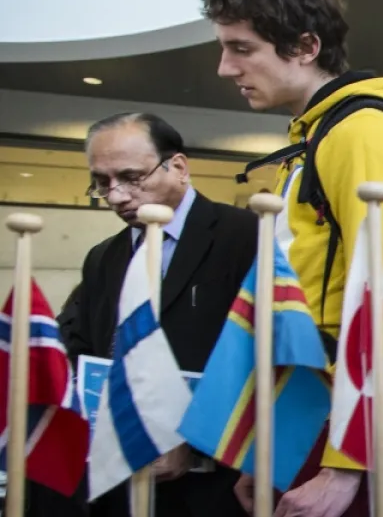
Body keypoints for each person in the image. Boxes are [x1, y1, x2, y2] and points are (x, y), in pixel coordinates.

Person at [200, 0, 383, 517]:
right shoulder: (316, 138)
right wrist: (269, 450)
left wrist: (346, 466)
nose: (225, 68)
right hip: (308, 408)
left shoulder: (362, 133)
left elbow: (382, 302)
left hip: (344, 415)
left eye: (241, 48)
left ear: (305, 47)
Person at [57, 112, 257, 517]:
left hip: (222, 482)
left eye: (132, 177)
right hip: (122, 478)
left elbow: (267, 357)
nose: (115, 196)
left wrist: (196, 441)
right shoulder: (103, 258)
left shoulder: (246, 236)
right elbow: (83, 348)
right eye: (101, 182)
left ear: (178, 167)